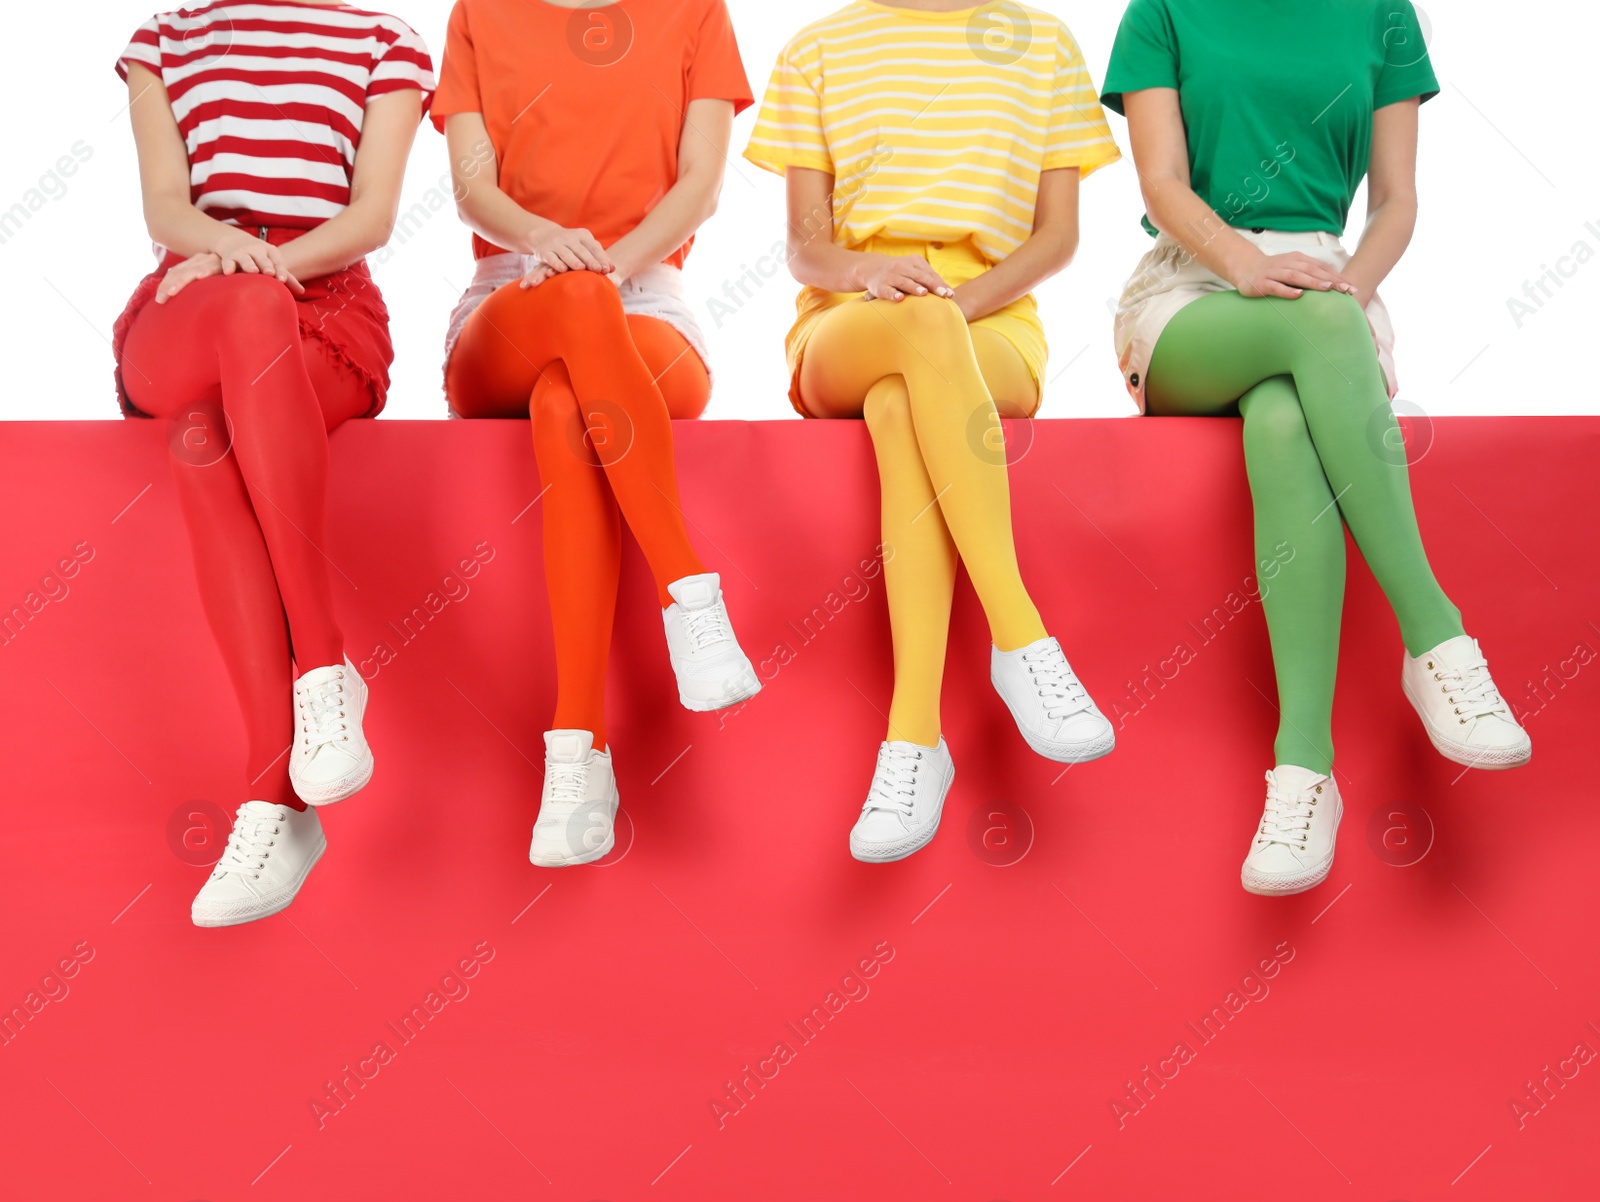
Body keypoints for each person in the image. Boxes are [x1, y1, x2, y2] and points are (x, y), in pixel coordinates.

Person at [1102, 0, 1531, 896]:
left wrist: (1345, 293)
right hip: (1194, 290)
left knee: (1286, 420)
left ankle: (1303, 771)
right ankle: (1437, 638)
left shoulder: (1381, 13)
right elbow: (1162, 185)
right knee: (1310, 344)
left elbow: (1398, 200)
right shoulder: (1162, 12)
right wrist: (1244, 265)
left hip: (1326, 286)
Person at [747, 0, 1121, 863]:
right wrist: (872, 272)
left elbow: (1057, 236)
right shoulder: (817, 47)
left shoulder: (1046, 43)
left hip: (992, 325)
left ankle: (913, 739)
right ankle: (1020, 634)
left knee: (897, 406)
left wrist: (954, 310)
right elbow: (807, 250)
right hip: (850, 318)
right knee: (907, 354)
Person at [114, 0, 433, 926]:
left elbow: (370, 217)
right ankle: (325, 667)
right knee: (243, 311)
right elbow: (167, 208)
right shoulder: (164, 38)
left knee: (200, 443)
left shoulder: (387, 43)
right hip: (187, 300)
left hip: (325, 317)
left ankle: (271, 800)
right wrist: (226, 257)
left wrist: (261, 266)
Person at [433, 0, 760, 868]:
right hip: (512, 294)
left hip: (647, 292)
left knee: (562, 406)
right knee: (571, 314)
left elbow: (702, 185)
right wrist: (554, 249)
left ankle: (578, 751)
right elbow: (472, 186)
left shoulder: (694, 12)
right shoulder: (479, 13)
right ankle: (690, 593)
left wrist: (608, 269)